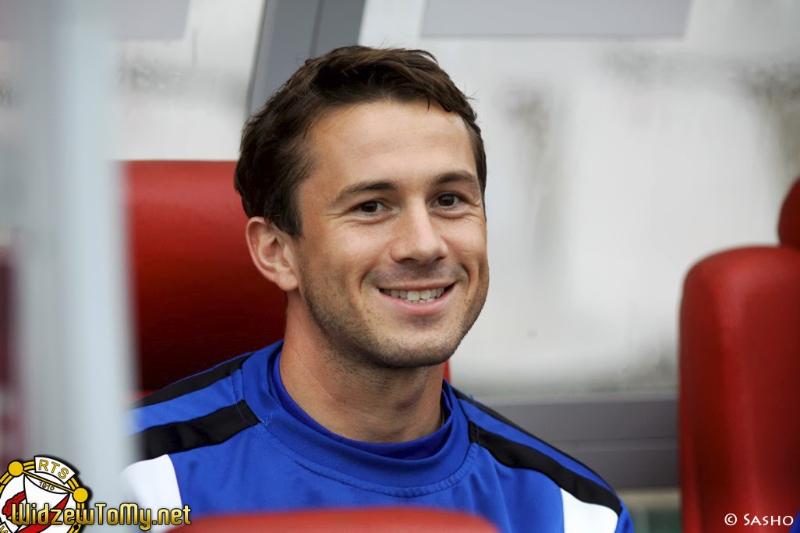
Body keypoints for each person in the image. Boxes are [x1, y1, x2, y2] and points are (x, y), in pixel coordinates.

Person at [124, 46, 633, 533]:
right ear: (277, 252)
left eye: (449, 199)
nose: (425, 244)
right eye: (371, 206)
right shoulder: (128, 485)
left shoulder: (576, 515)